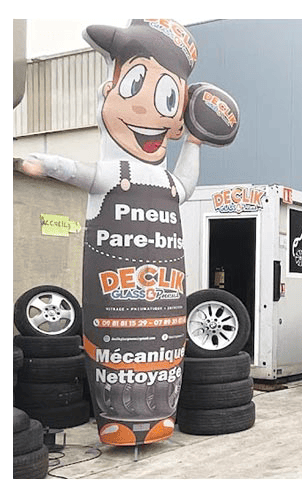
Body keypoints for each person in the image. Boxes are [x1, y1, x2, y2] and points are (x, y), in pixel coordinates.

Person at [17, 19, 213, 446]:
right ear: (108, 91)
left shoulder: (164, 183)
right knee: (118, 347)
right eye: (134, 84)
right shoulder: (111, 172)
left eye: (167, 97)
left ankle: (159, 420)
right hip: (111, 305)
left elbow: (186, 185)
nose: (148, 109)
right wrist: (44, 163)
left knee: (157, 350)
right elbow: (74, 170)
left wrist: (195, 144)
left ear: (178, 119)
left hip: (164, 305)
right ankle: (116, 423)